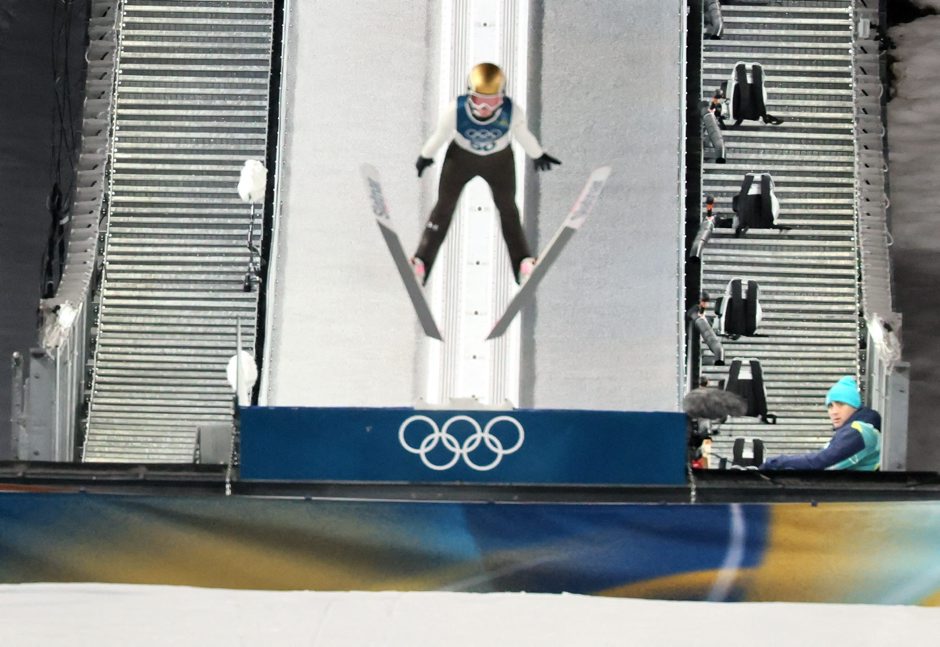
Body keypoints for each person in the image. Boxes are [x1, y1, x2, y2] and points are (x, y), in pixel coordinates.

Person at [412, 62, 561, 285]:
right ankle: (422, 262)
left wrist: (538, 154)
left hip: (499, 161)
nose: (484, 108)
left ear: (502, 97)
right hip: (461, 159)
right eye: (478, 100)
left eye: (492, 101)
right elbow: (440, 134)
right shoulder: (456, 110)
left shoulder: (512, 112)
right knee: (443, 207)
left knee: (508, 209)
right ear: (469, 95)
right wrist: (426, 155)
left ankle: (522, 263)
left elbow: (523, 135)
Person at [760, 376, 882, 471]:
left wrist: (776, 463)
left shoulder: (859, 431)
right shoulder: (856, 430)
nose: (834, 412)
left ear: (855, 405)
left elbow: (819, 462)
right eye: (830, 406)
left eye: (841, 404)